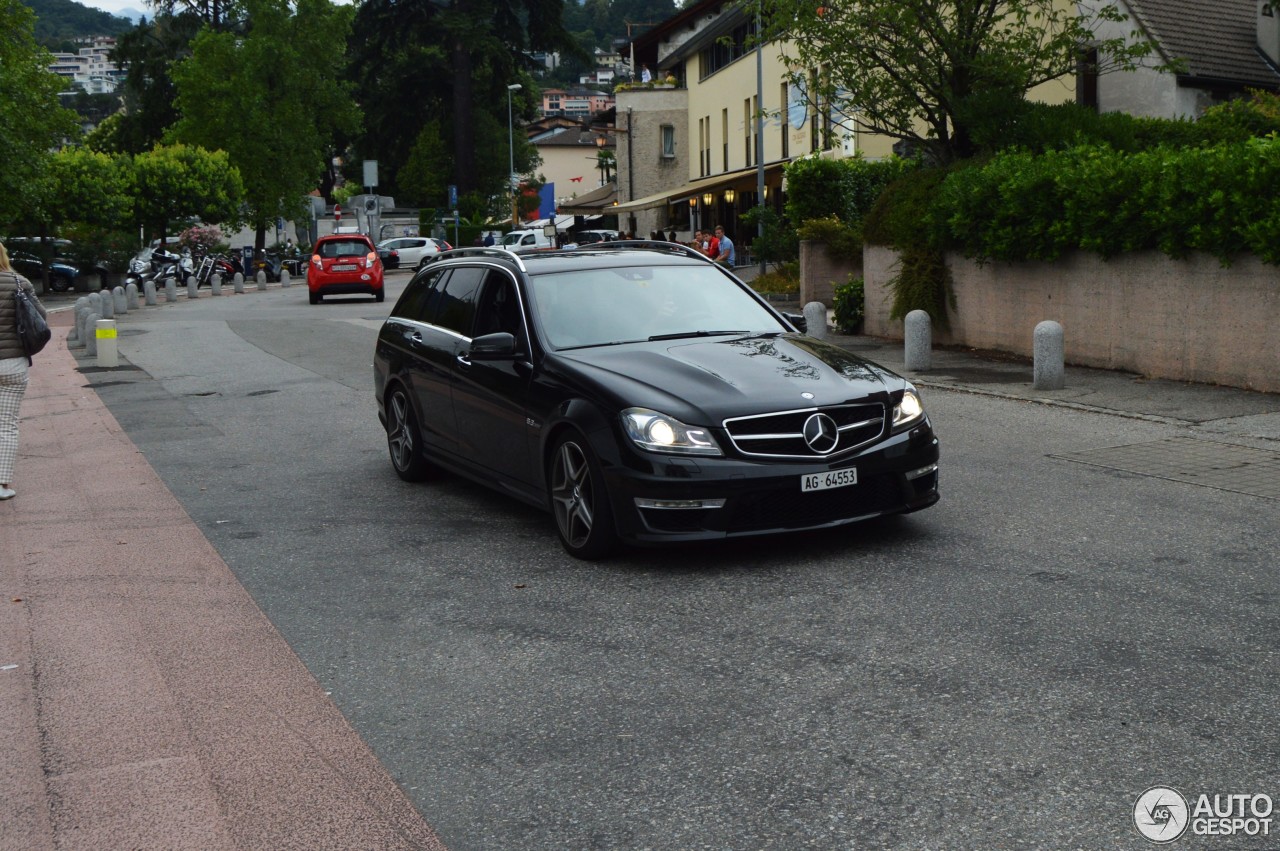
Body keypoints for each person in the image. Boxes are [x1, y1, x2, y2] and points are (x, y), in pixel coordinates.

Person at [0, 241, 48, 501]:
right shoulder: (19, 282)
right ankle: (2, 484)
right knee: (6, 424)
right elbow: (40, 315)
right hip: (13, 364)